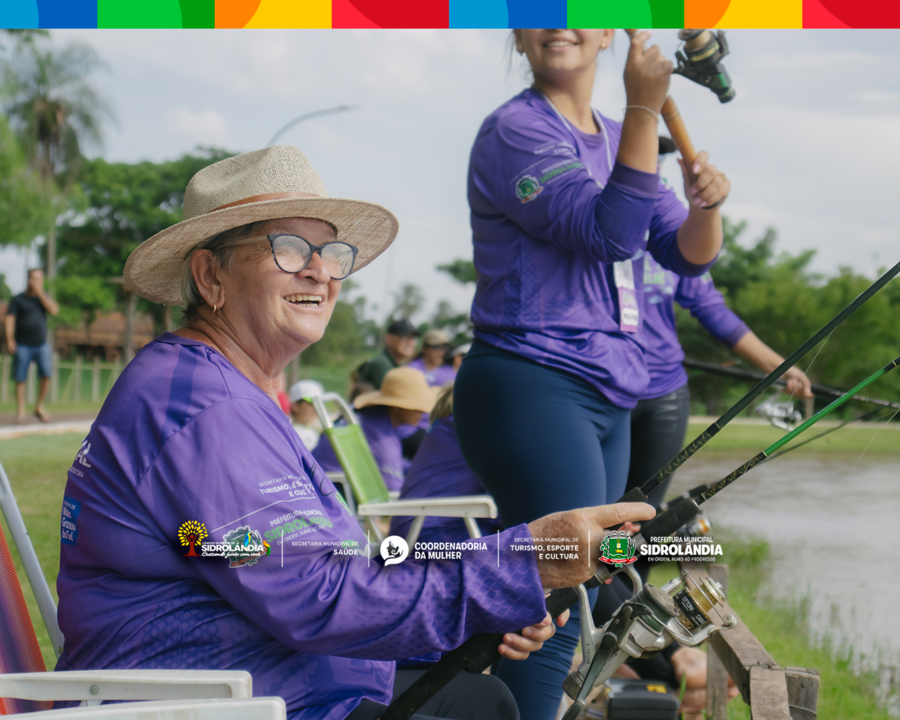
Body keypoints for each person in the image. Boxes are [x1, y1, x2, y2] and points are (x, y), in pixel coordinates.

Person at [55, 146, 658, 720]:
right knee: (482, 706)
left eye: (331, 253)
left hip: (264, 670)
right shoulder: (207, 406)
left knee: (476, 694)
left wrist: (491, 597)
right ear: (210, 274)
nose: (320, 272)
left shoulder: (224, 386)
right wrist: (522, 561)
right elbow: (321, 596)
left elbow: (326, 566)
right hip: (214, 693)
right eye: (288, 249)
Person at [453, 30, 731, 720]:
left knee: (571, 598)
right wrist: (646, 107)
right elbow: (605, 233)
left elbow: (688, 255)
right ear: (516, 35)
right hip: (532, 379)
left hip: (607, 391)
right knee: (561, 588)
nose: (559, 21)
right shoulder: (515, 129)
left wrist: (707, 204)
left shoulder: (616, 131)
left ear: (609, 31)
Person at [389, 383, 503, 544]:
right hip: (430, 534)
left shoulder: (448, 423)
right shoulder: (470, 427)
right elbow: (504, 491)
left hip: (416, 525)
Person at [312, 366, 438, 491]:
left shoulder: (371, 418)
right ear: (396, 407)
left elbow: (394, 466)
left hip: (323, 482)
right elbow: (395, 495)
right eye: (417, 408)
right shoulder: (383, 443)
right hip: (331, 494)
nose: (424, 411)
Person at [4, 267, 59, 424]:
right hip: (22, 345)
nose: (34, 281)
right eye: (32, 278)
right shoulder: (18, 299)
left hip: (41, 345)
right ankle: (21, 411)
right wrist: (10, 339)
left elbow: (54, 310)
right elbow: (9, 319)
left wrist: (40, 292)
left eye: (38, 279)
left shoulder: (42, 299)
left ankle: (39, 407)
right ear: (28, 279)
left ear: (41, 281)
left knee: (46, 375)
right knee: (20, 378)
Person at [356, 317, 419, 389]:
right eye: (404, 337)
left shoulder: (395, 364)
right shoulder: (381, 364)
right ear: (389, 339)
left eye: (412, 338)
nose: (410, 342)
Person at [288, 379, 326, 449]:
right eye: (311, 404)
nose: (316, 409)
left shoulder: (312, 432)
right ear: (295, 406)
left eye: (319, 405)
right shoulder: (293, 436)